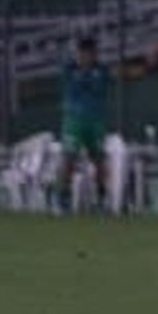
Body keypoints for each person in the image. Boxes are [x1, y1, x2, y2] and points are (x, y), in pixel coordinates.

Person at [57, 36, 111, 212]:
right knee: (68, 157)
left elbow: (98, 88)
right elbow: (73, 87)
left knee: (99, 160)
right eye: (83, 52)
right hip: (74, 121)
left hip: (96, 121)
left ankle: (102, 198)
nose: (86, 56)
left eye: (90, 52)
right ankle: (63, 198)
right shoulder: (69, 69)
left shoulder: (102, 70)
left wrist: (87, 77)